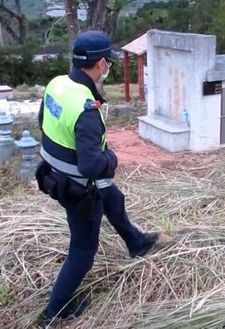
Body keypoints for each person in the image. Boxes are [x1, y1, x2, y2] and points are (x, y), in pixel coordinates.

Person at [34, 30, 169, 327]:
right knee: (82, 251)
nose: (108, 67)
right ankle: (56, 310)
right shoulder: (86, 109)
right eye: (107, 62)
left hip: (54, 174)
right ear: (100, 64)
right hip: (78, 189)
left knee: (113, 197)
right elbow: (93, 165)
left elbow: (42, 121)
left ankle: (137, 243)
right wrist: (113, 158)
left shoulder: (57, 84)